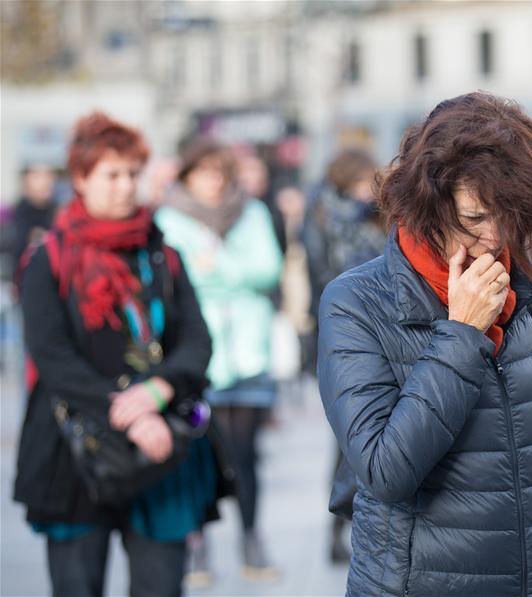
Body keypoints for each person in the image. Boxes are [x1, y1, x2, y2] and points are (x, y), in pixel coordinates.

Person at [317, 92, 532, 596]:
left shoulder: (520, 282)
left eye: (509, 215)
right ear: (426, 205)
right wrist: (462, 333)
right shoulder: (355, 302)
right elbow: (384, 470)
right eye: (475, 218)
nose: (494, 235)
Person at [13, 112, 222, 597]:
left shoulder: (161, 254)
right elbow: (52, 356)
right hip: (77, 451)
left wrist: (160, 388)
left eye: (133, 173)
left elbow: (197, 340)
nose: (125, 186)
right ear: (81, 179)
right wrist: (127, 413)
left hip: (160, 451)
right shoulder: (49, 258)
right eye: (112, 174)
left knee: (161, 586)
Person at [156, 139, 283, 582]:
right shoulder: (169, 218)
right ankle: (198, 547)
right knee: (195, 454)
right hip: (197, 356)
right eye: (202, 172)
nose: (212, 181)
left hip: (248, 351)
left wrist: (216, 267)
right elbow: (175, 281)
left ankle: (251, 540)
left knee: (245, 455)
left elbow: (268, 268)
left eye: (219, 172)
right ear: (187, 176)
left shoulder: (253, 213)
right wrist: (229, 272)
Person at [301, 148, 386, 562]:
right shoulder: (321, 215)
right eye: (358, 184)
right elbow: (318, 272)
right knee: (346, 436)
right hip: (341, 332)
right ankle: (338, 527)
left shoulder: (379, 214)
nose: (363, 193)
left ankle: (359, 530)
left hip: (385, 330)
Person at [12, 163, 58, 266]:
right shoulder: (18, 215)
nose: (45, 181)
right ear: (26, 180)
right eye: (38, 175)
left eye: (49, 175)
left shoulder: (59, 213)